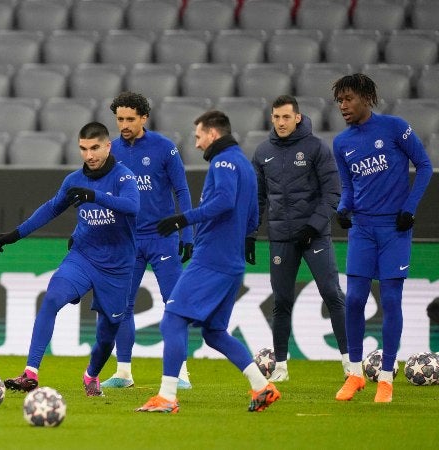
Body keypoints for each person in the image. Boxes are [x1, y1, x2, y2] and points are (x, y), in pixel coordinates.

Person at [137, 110, 280, 413]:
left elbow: (225, 201)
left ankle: (167, 396)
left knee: (172, 319)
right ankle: (262, 386)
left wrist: (182, 219)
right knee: (214, 333)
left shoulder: (223, 161)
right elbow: (253, 213)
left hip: (212, 258)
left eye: (199, 136)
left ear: (213, 134)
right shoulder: (245, 164)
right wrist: (247, 239)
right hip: (232, 261)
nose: (197, 143)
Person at [0, 121, 139, 397]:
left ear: (108, 146)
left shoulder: (123, 177)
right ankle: (30, 373)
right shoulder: (74, 180)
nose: (89, 155)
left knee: (106, 336)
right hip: (83, 257)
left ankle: (91, 376)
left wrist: (94, 195)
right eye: (83, 149)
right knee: (51, 298)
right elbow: (51, 209)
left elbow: (133, 207)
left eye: (95, 148)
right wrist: (15, 234)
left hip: (117, 268)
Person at [331, 74, 433, 403]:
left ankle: (386, 377)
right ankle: (356, 375)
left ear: (366, 98)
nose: (343, 106)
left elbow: (425, 165)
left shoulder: (393, 127)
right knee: (355, 300)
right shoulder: (342, 143)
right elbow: (348, 187)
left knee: (390, 301)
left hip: (395, 229)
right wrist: (343, 209)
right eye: (339, 101)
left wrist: (409, 208)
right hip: (362, 229)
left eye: (348, 99)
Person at [251, 95, 349, 382]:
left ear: (297, 117)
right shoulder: (262, 152)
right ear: (272, 118)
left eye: (286, 117)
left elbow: (333, 193)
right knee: (281, 301)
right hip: (281, 239)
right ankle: (280, 366)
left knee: (332, 294)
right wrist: (250, 234)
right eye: (276, 117)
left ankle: (349, 362)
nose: (281, 122)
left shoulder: (316, 148)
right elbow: (257, 199)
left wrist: (312, 227)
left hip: (314, 237)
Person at [101, 91, 194, 389]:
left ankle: (181, 373)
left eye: (130, 119)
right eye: (119, 119)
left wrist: (187, 230)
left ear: (144, 118)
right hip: (127, 240)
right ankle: (124, 372)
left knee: (174, 303)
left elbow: (182, 190)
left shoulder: (164, 148)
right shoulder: (110, 151)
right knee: (122, 305)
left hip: (162, 237)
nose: (124, 124)